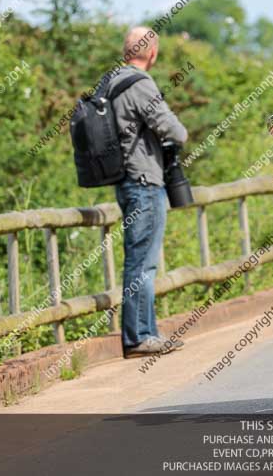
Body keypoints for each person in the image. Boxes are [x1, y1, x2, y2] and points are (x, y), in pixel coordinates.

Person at [109, 26, 188, 358]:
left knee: (138, 260)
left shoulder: (111, 81)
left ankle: (145, 333)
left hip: (124, 179)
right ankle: (140, 336)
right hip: (144, 181)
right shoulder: (140, 84)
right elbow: (174, 130)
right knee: (143, 263)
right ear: (152, 53)